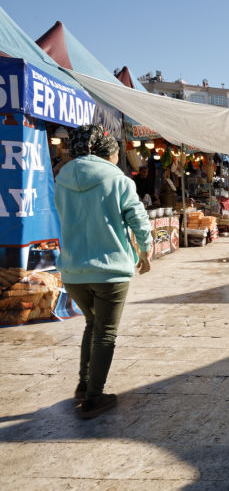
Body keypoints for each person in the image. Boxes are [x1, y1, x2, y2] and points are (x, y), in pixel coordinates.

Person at [54, 124, 153, 419]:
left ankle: (84, 386)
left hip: (73, 272)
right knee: (105, 333)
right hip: (109, 271)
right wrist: (145, 252)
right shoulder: (118, 180)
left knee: (92, 324)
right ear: (107, 152)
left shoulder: (61, 178)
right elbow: (139, 219)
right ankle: (94, 399)